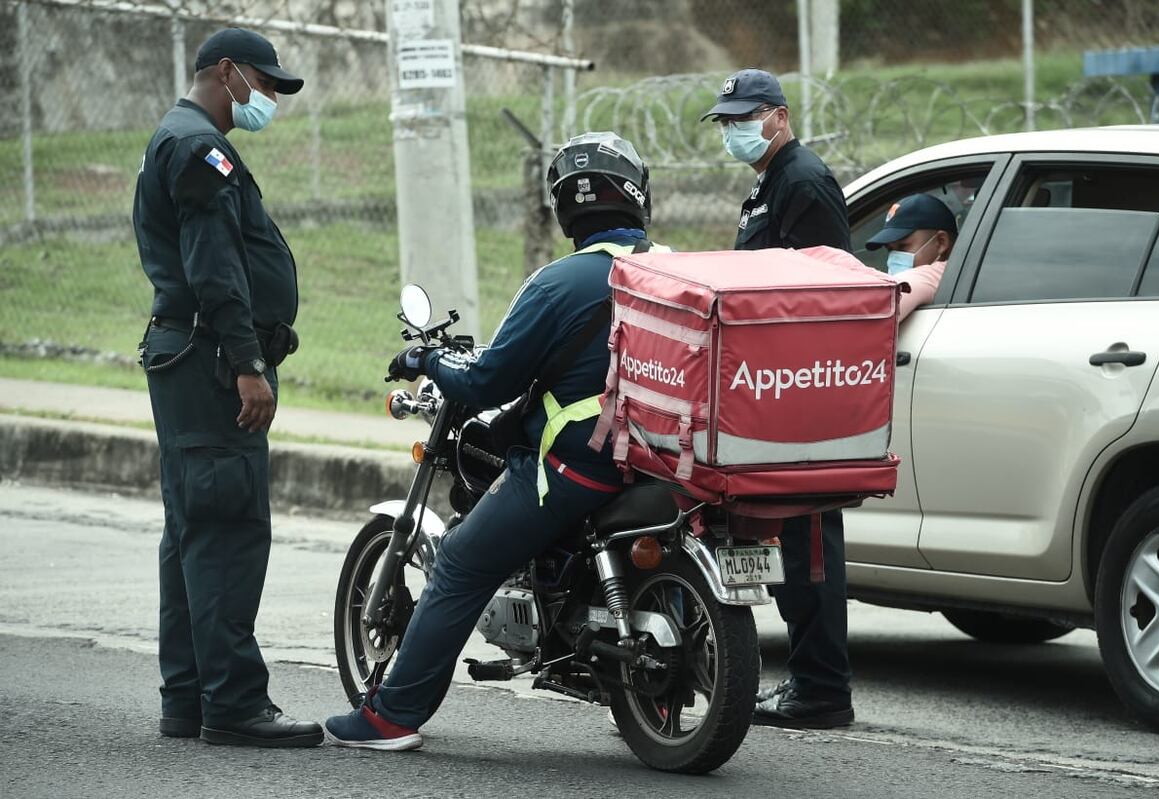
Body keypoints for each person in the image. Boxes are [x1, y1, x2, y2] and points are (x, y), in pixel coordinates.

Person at [324, 132, 665, 751]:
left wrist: (428, 360)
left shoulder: (558, 284)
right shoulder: (673, 271)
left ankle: (390, 716)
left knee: (457, 561)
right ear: (639, 197)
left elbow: (487, 383)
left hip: (574, 469)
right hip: (658, 463)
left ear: (566, 209)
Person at [132, 28, 323, 747]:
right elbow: (214, 265)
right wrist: (247, 361)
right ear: (225, 72)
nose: (269, 97)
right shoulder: (197, 147)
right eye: (264, 83)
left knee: (193, 528)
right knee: (226, 524)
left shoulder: (185, 140)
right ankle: (235, 703)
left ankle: (188, 697)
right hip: (213, 361)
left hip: (192, 355)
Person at [702, 68, 855, 729]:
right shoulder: (770, 184)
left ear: (779, 116)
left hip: (799, 391)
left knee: (810, 542)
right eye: (728, 121)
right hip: (769, 390)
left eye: (744, 118)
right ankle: (809, 682)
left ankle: (822, 691)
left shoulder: (803, 181)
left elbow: (822, 295)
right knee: (792, 543)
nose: (734, 130)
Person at [865, 193, 958, 322]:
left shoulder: (931, 277)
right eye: (890, 250)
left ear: (941, 242)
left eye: (903, 247)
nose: (894, 258)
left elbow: (869, 321)